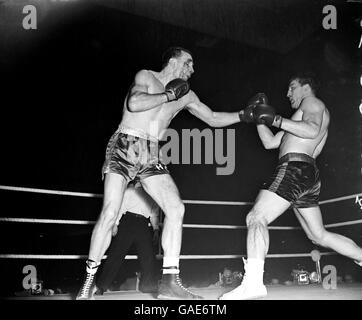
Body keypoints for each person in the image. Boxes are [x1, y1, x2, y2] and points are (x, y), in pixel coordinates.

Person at [76, 46, 260, 300]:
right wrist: (168, 95)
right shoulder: (146, 77)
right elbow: (134, 102)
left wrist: (245, 115)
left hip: (151, 151)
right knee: (109, 213)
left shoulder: (187, 95)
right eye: (188, 63)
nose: (192, 69)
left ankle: (171, 280)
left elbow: (213, 117)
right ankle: (88, 282)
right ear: (173, 61)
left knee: (176, 208)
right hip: (125, 144)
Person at [219, 73, 362, 300]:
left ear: (306, 87)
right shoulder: (298, 120)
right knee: (319, 235)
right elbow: (270, 142)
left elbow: (312, 129)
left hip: (294, 168)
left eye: (292, 87)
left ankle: (254, 283)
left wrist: (276, 119)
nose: (288, 94)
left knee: (256, 217)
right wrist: (259, 118)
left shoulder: (312, 103)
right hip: (306, 174)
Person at [94, 180, 160, 295]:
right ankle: (101, 286)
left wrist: (156, 229)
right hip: (127, 222)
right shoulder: (130, 191)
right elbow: (120, 208)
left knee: (148, 256)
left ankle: (147, 286)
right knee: (116, 254)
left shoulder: (153, 195)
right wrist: (115, 224)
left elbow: (154, 214)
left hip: (143, 224)